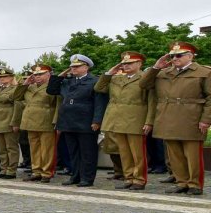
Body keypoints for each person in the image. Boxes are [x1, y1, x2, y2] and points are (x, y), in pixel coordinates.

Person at [141, 42, 211, 196]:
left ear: (190, 56)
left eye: (179, 55)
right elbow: (144, 84)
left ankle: (194, 184)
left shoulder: (204, 72)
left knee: (192, 155)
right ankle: (181, 182)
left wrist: (206, 119)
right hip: (168, 117)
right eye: (172, 55)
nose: (175, 58)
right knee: (175, 155)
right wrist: (156, 67)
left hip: (191, 118)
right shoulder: (163, 72)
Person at [93, 52, 155, 190]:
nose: (126, 66)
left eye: (130, 63)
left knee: (137, 153)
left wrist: (149, 121)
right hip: (117, 119)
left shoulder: (145, 78)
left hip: (136, 119)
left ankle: (139, 179)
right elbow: (98, 88)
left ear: (139, 64)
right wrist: (109, 73)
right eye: (124, 63)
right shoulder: (117, 78)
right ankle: (128, 178)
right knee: (124, 152)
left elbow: (152, 101)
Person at [48, 54, 100, 187]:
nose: (74, 69)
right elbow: (51, 90)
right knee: (73, 152)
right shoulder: (68, 81)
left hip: (85, 121)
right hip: (68, 122)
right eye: (72, 66)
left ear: (86, 67)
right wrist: (62, 74)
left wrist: (97, 120)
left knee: (87, 152)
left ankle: (87, 178)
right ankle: (75, 176)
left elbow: (99, 103)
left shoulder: (94, 81)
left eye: (77, 66)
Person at [15, 65, 59, 182]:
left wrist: (56, 120)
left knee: (46, 149)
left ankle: (46, 172)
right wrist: (25, 84)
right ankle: (36, 171)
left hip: (46, 119)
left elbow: (58, 104)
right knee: (34, 148)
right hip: (30, 120)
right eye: (35, 74)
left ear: (48, 74)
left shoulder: (52, 86)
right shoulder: (29, 87)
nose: (37, 77)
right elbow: (16, 97)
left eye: (40, 74)